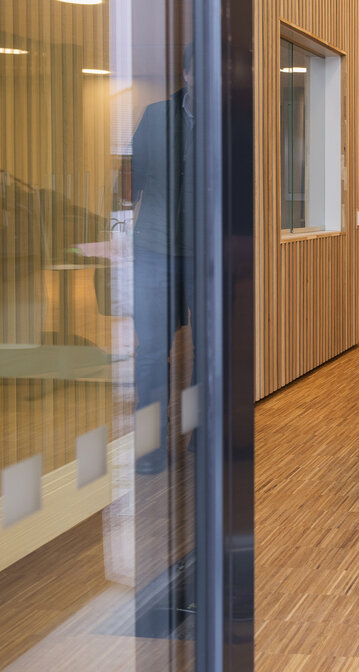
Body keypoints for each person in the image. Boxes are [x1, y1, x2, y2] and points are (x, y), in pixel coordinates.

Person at [131, 44, 197, 475]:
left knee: (210, 354)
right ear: (188, 75)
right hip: (153, 250)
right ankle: (149, 443)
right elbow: (133, 176)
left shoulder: (229, 124)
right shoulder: (155, 117)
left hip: (204, 256)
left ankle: (198, 431)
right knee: (153, 352)